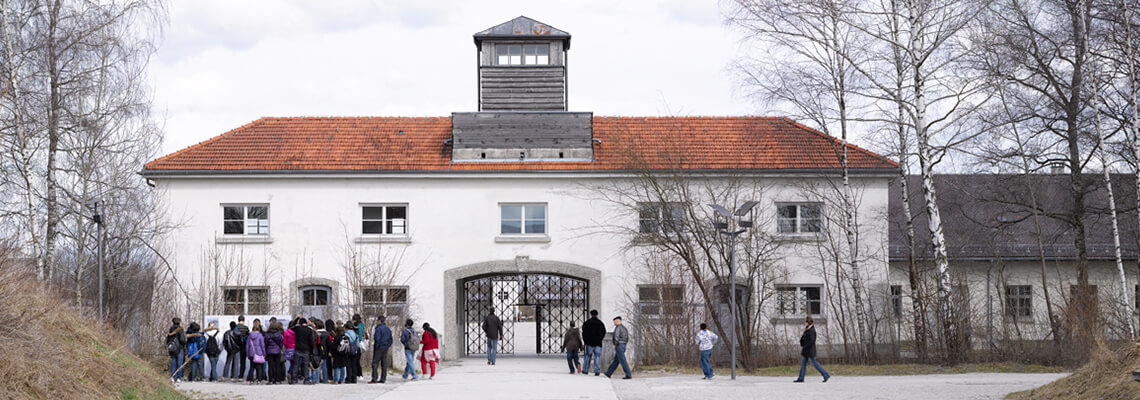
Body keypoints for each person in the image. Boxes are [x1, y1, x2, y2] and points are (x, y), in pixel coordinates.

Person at [794, 316, 830, 383]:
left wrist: (805, 346)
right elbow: (804, 339)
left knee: (815, 364)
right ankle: (801, 378)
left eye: (806, 322)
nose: (805, 323)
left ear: (808, 323)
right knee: (803, 364)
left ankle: (825, 374)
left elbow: (812, 341)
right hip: (806, 350)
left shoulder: (811, 330)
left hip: (809, 351)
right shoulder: (807, 330)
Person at [291, 317, 316, 384]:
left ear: (300, 323)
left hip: (297, 349)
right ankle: (306, 379)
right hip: (306, 350)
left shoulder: (297, 329)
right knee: (305, 366)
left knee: (296, 365)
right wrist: (311, 352)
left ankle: (293, 379)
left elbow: (291, 326)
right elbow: (311, 341)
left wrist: (296, 319)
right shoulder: (309, 330)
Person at [581, 310, 605, 376]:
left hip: (589, 343)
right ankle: (597, 370)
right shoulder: (600, 323)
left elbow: (584, 333)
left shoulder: (587, 323)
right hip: (598, 342)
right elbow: (603, 332)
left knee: (588, 356)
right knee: (597, 356)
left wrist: (585, 341)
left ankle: (585, 370)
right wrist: (600, 339)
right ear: (597, 314)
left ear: (590, 314)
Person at [370, 315, 393, 384]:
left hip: (378, 348)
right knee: (384, 363)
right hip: (385, 348)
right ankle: (383, 378)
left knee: (375, 363)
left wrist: (378, 345)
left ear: (379, 321)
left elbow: (377, 338)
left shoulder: (378, 329)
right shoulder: (388, 329)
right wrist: (387, 346)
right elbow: (391, 340)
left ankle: (374, 378)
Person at [246, 318, 267, 384]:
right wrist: (264, 353)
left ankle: (251, 380)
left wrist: (248, 354)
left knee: (252, 367)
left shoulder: (249, 336)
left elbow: (247, 346)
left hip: (252, 353)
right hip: (259, 353)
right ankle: (259, 379)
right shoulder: (260, 335)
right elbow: (262, 345)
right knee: (259, 367)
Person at [166, 317, 187, 382]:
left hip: (172, 348)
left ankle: (173, 376)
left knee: (173, 361)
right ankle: (179, 377)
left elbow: (168, 339)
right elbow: (182, 340)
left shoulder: (170, 329)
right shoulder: (180, 329)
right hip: (179, 348)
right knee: (179, 362)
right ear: (179, 322)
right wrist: (185, 343)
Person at [311, 318, 332, 384]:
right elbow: (329, 343)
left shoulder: (314, 333)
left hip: (316, 351)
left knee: (316, 365)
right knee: (324, 366)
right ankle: (325, 379)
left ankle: (317, 379)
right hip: (324, 351)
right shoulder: (326, 334)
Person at [236, 315, 250, 380]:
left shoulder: (235, 328)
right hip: (244, 346)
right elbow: (248, 337)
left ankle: (234, 375)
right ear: (244, 321)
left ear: (238, 320)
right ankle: (241, 376)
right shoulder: (246, 328)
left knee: (235, 361)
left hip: (236, 346)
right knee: (242, 362)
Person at [353, 314, 366, 381]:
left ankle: (358, 374)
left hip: (356, 345)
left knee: (356, 361)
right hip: (360, 345)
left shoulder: (357, 327)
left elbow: (358, 336)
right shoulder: (362, 326)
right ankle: (359, 374)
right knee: (358, 360)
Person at [283, 318, 296, 382]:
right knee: (295, 364)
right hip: (295, 348)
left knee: (291, 363)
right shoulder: (296, 332)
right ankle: (293, 376)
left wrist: (287, 347)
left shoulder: (286, 332)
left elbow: (284, 342)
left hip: (289, 349)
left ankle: (290, 372)